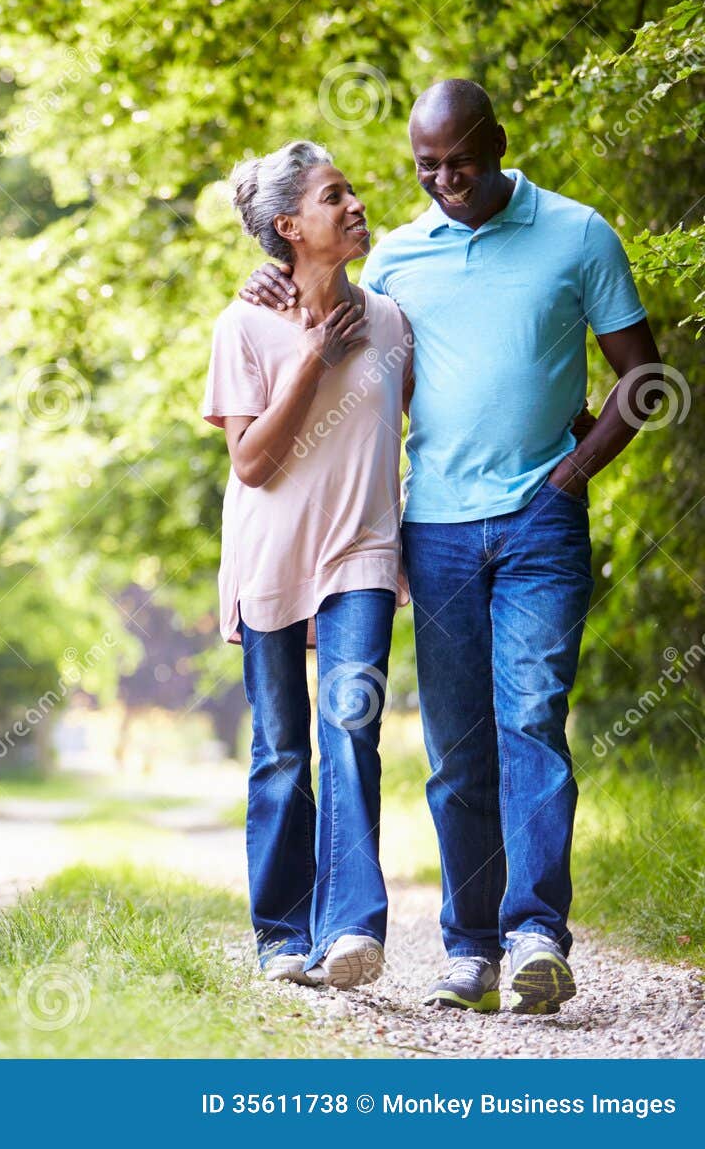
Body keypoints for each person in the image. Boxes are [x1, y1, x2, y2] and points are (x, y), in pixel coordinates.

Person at [240, 80, 668, 1014]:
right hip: (431, 527)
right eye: (426, 167)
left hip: (540, 522)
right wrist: (269, 276)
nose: (444, 181)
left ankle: (534, 935)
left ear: (499, 143)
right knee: (456, 745)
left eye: (460, 161)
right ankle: (468, 947)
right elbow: (337, 331)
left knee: (533, 719)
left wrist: (575, 471)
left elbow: (647, 377)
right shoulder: (396, 259)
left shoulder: (579, 233)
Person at [202, 139, 414, 990]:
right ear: (290, 226)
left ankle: (352, 928)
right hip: (272, 561)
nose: (356, 203)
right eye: (335, 196)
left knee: (351, 725)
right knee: (284, 749)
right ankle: (281, 935)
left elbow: (440, 421)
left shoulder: (394, 321)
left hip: (362, 550)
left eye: (352, 190)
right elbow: (251, 462)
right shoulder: (243, 324)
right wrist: (312, 359)